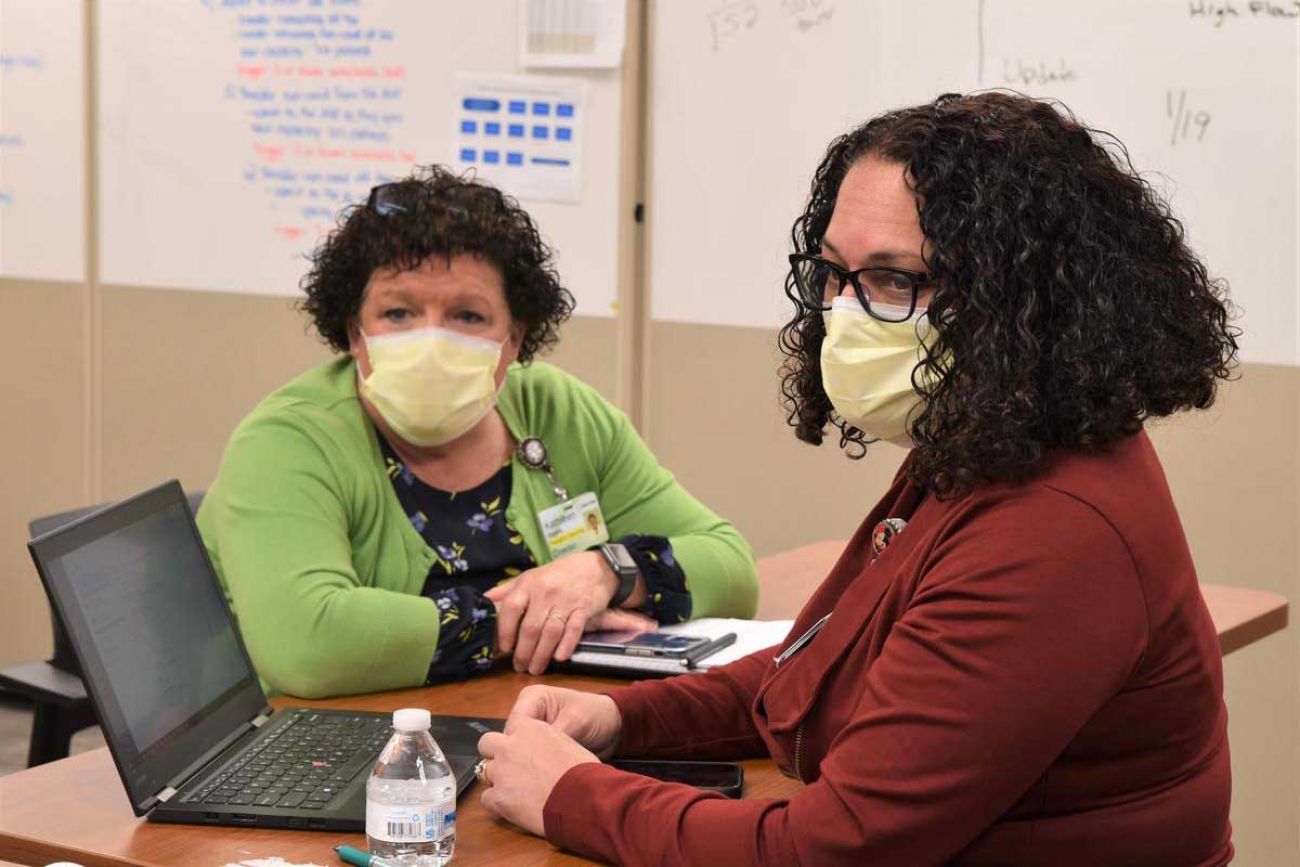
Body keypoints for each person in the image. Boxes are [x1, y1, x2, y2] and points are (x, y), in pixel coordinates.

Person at [475, 92, 1239, 865]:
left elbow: (830, 851)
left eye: (893, 279)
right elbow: (816, 671)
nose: (844, 313)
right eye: (835, 274)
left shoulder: (1053, 527)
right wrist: (623, 719)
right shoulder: (990, 442)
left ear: (1024, 300)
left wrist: (570, 794)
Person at [197, 166, 757, 699]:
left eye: (468, 316)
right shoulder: (288, 440)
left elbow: (730, 568)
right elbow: (308, 642)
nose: (430, 340)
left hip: (529, 728)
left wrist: (604, 572)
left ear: (514, 338)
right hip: (332, 759)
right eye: (397, 314)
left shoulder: (556, 411)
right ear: (354, 331)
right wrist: (533, 618)